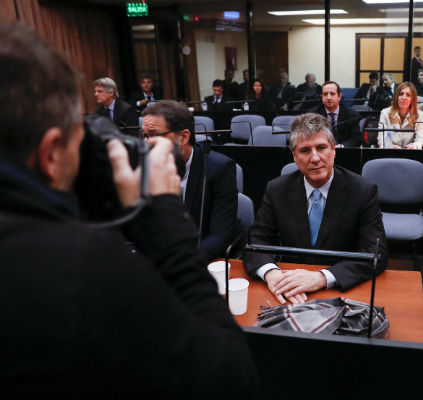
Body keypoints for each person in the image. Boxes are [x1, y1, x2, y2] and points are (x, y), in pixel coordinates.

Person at [0, 22, 257, 398]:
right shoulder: (80, 262)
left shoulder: (217, 168)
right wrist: (169, 234)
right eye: (79, 139)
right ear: (52, 152)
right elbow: (230, 378)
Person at [243, 113, 388, 304]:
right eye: (305, 150)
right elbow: (256, 242)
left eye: (321, 147)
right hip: (288, 287)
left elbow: (376, 252)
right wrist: (271, 273)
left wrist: (322, 277)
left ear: (334, 150)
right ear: (295, 157)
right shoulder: (277, 189)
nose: (315, 158)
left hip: (341, 291)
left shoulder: (362, 191)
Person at [141, 100, 238, 261]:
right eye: (144, 136)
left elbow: (220, 235)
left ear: (183, 137)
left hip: (199, 260)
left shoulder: (218, 168)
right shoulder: (147, 166)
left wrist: (180, 261)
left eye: (154, 136)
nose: (146, 144)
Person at [308, 81, 363, 147]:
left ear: (339, 96)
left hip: (344, 153)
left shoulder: (352, 114)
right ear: (322, 97)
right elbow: (308, 137)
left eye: (332, 94)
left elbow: (356, 139)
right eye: (325, 94)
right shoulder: (313, 114)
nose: (329, 97)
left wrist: (342, 146)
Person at [378, 82, 423, 149]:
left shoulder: (419, 115)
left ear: (412, 99)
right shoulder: (385, 113)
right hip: (390, 153)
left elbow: (421, 139)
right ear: (396, 97)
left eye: (408, 95)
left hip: (411, 154)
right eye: (401, 94)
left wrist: (414, 146)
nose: (404, 97)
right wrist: (390, 146)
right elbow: (382, 138)